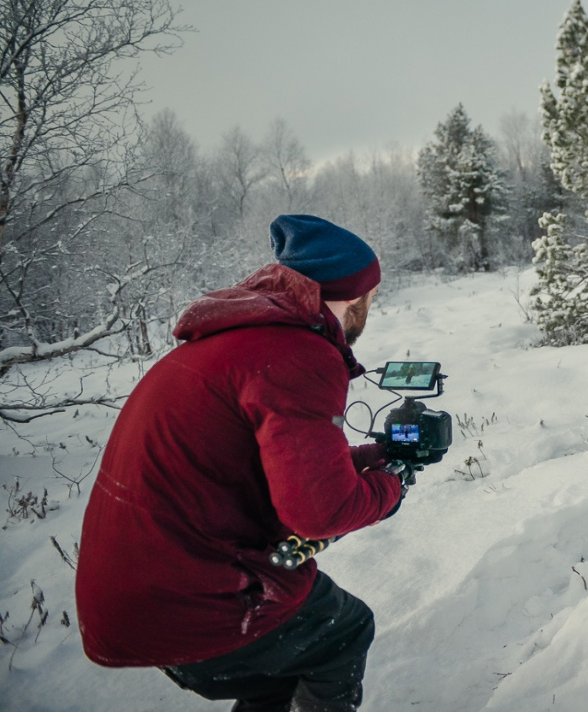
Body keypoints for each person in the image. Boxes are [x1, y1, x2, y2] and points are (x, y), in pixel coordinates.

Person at [75, 214, 403, 711]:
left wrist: (371, 457)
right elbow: (320, 512)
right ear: (355, 297)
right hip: (192, 600)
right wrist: (390, 489)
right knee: (343, 632)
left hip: (130, 597)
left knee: (279, 669)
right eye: (372, 298)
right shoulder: (298, 352)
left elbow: (257, 470)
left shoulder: (236, 338)